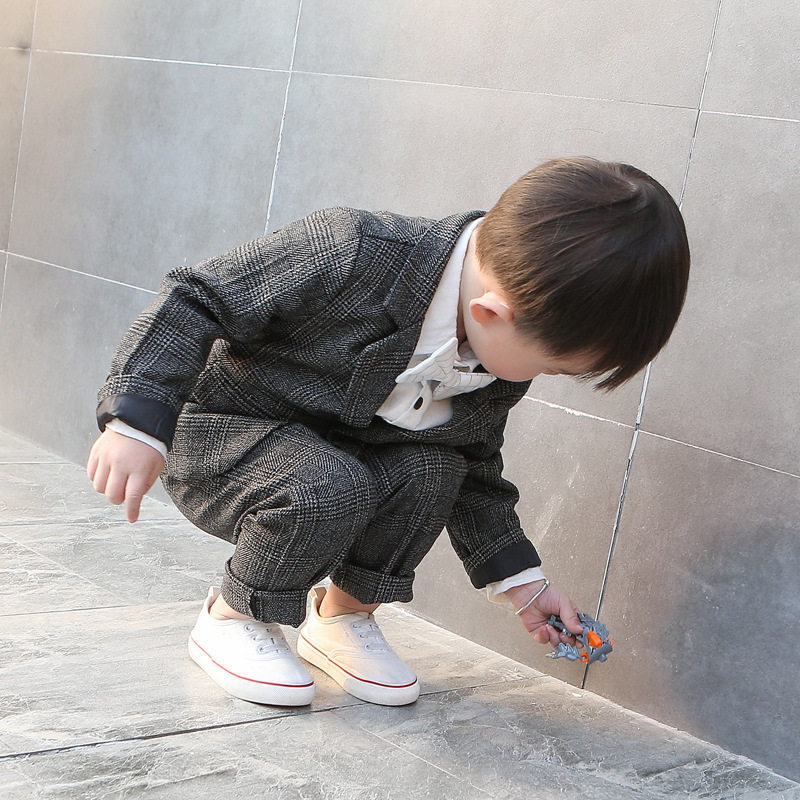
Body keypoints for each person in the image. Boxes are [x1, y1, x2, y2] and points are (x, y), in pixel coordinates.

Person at [87, 157, 690, 707]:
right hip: (226, 438)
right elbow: (197, 298)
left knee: (437, 470)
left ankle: (342, 618)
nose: (541, 378)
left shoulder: (496, 352)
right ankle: (233, 616)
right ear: (491, 313)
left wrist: (524, 586)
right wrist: (137, 421)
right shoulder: (352, 250)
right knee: (329, 482)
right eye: (551, 367)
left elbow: (476, 470)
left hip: (339, 465)